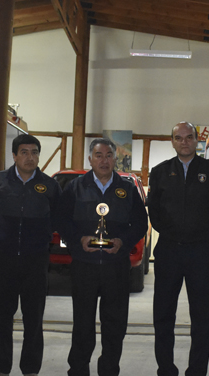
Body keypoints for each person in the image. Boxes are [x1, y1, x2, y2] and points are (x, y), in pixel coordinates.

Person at [60, 138, 148, 376]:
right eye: (98, 155)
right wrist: (78, 240)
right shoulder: (74, 188)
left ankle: (109, 370)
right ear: (90, 159)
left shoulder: (127, 189)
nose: (104, 160)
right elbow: (63, 221)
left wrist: (124, 241)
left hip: (115, 267)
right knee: (82, 324)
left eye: (109, 155)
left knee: (115, 324)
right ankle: (78, 370)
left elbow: (140, 223)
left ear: (115, 159)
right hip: (84, 266)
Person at [149, 121, 209, 376]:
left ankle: (197, 371)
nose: (184, 142)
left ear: (197, 140)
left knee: (201, 317)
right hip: (169, 251)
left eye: (189, 137)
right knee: (163, 315)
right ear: (172, 141)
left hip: (200, 253)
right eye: (178, 137)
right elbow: (155, 211)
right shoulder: (159, 172)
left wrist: (203, 235)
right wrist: (174, 233)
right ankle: (166, 369)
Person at [0, 134, 61, 376]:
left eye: (34, 152)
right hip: (4, 261)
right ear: (14, 156)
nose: (30, 157)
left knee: (33, 321)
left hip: (35, 262)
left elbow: (57, 217)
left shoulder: (50, 186)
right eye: (24, 152)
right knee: (2, 319)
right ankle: (1, 369)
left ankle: (31, 370)